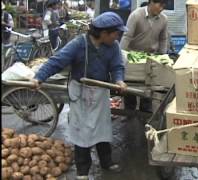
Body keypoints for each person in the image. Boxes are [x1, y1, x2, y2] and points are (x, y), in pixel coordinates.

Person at [30, 12, 128, 179]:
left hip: (100, 93)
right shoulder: (78, 44)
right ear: (104, 33)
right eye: (116, 33)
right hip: (81, 93)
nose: (118, 36)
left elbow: (117, 66)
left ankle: (107, 162)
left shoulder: (113, 46)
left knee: (102, 130)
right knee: (81, 132)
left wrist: (119, 80)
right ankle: (83, 170)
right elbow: (57, 61)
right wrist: (39, 77)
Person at [120, 0, 168, 113]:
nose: (161, 8)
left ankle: (145, 119)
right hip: (133, 58)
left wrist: (163, 58)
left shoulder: (163, 19)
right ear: (151, 2)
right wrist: (120, 55)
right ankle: (129, 118)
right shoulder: (136, 15)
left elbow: (163, 39)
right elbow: (127, 36)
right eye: (159, 5)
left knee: (147, 94)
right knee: (131, 91)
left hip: (151, 59)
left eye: (163, 6)